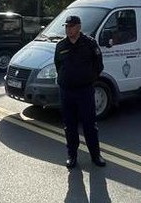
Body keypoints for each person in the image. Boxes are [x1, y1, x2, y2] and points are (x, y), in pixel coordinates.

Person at [54, 15, 106, 169]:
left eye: (71, 26)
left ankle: (95, 155)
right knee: (69, 126)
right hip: (67, 91)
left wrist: (88, 79)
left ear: (78, 27)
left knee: (89, 125)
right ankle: (72, 156)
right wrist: (66, 79)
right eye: (66, 26)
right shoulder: (61, 45)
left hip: (84, 91)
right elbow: (58, 65)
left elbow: (99, 65)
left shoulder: (89, 43)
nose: (68, 29)